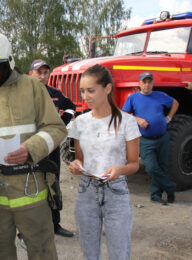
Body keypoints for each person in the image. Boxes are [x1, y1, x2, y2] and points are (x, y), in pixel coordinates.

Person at [0, 30, 67, 260]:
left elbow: (55, 128)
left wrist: (31, 148)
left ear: (7, 65)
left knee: (43, 253)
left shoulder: (33, 88)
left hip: (31, 190)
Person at [68, 64, 140, 260]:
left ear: (107, 88)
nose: (85, 96)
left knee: (119, 253)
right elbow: (80, 158)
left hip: (116, 192)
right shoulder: (80, 122)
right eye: (82, 91)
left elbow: (134, 164)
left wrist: (120, 169)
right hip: (86, 192)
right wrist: (76, 165)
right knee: (89, 253)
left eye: (91, 90)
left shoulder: (127, 122)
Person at [28, 59, 75, 237]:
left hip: (52, 147)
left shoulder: (55, 93)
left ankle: (55, 225)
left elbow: (70, 107)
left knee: (53, 184)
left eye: (45, 72)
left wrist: (61, 125)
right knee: (32, 185)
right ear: (30, 74)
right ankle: (31, 229)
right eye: (38, 72)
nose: (42, 76)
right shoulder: (24, 95)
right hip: (31, 148)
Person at [122, 72, 178, 204]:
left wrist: (169, 117)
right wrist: (138, 119)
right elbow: (124, 114)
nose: (147, 85)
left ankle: (156, 195)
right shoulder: (133, 98)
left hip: (163, 137)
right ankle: (170, 188)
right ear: (139, 84)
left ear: (152, 84)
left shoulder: (160, 96)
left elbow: (175, 103)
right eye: (144, 82)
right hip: (145, 140)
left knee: (162, 167)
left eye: (149, 82)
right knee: (152, 168)